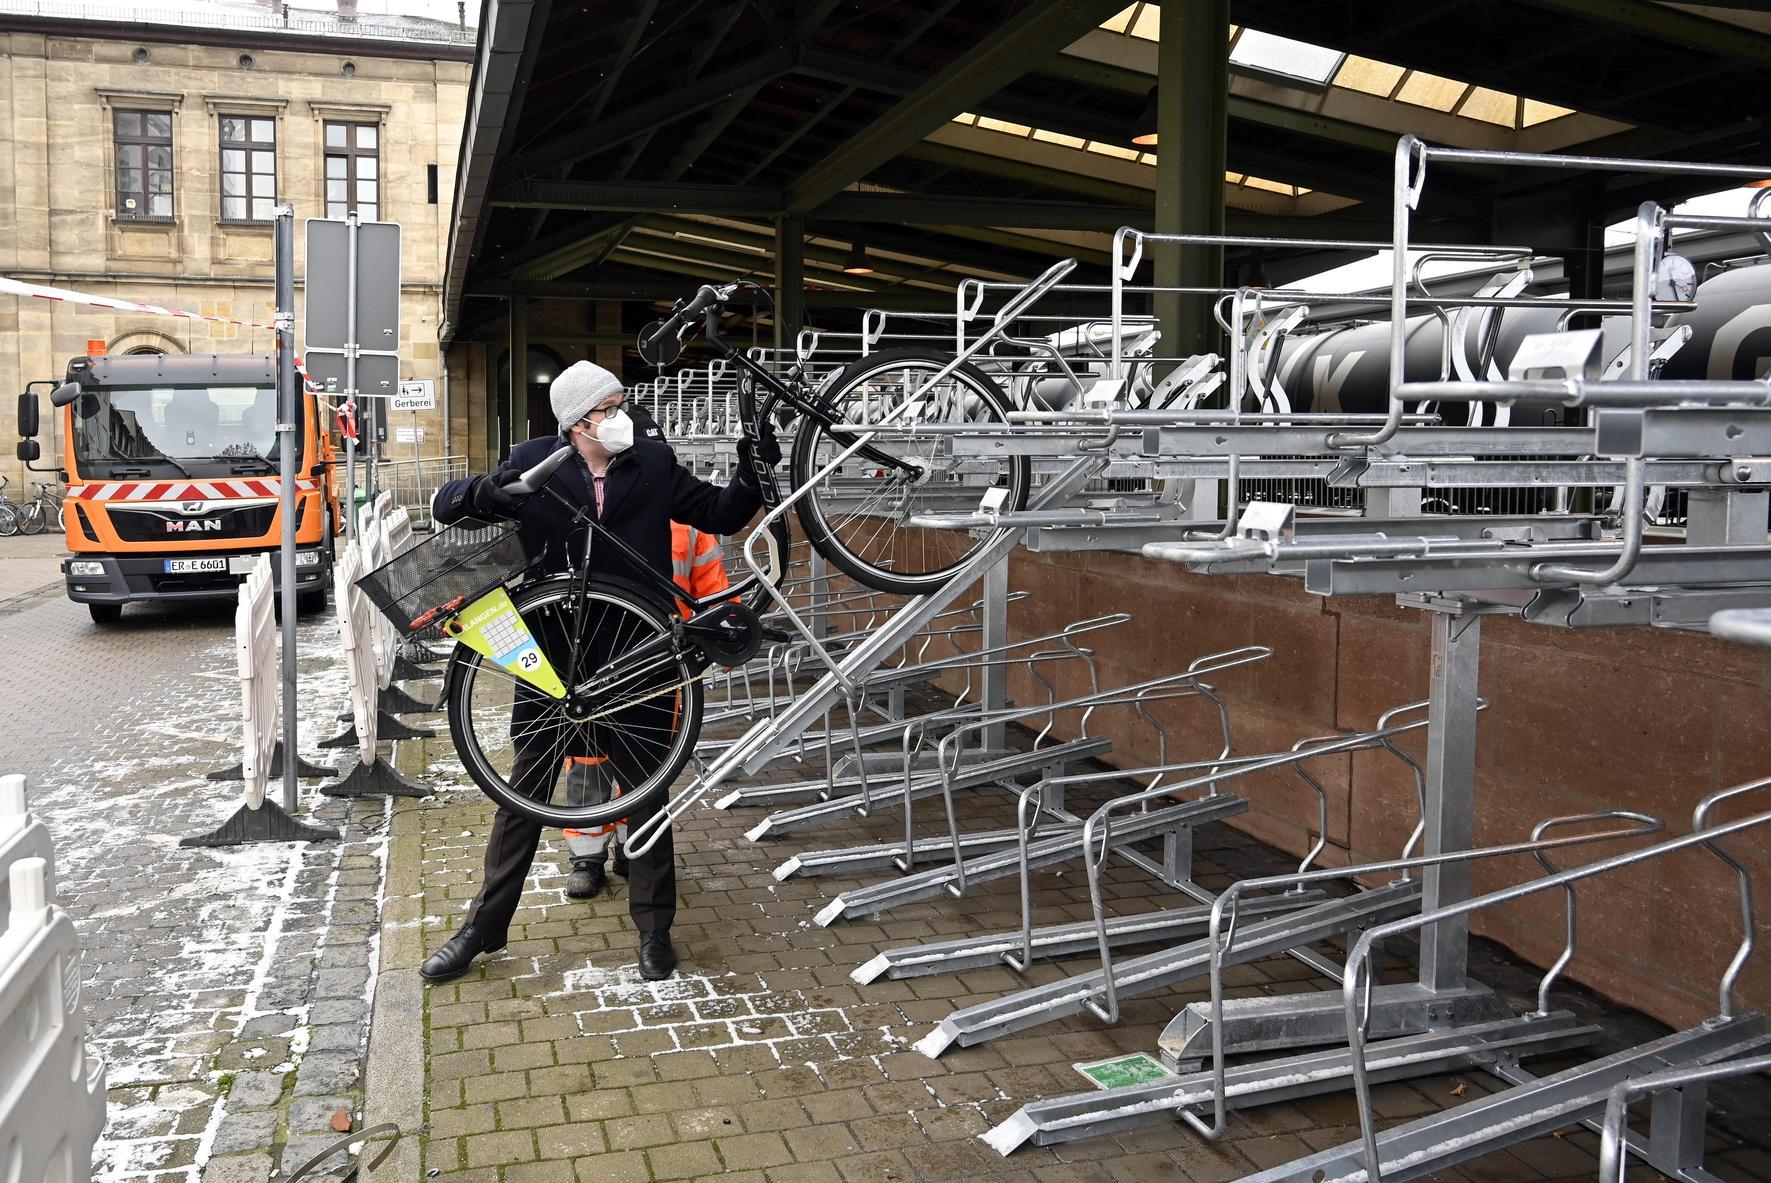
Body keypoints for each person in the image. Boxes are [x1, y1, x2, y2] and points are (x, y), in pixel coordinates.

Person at [419, 360, 775, 983]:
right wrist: (486, 494)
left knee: (647, 792)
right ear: (578, 422)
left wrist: (753, 470)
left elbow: (718, 512)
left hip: (635, 650)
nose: (622, 416)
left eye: (621, 404)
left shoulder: (652, 463)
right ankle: (483, 926)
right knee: (522, 794)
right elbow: (446, 506)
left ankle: (655, 929)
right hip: (553, 657)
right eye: (610, 408)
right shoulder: (536, 459)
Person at [561, 521, 733, 900]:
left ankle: (632, 847)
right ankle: (587, 859)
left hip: (658, 667)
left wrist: (726, 633)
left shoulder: (689, 527)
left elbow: (713, 589)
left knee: (644, 766)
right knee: (588, 763)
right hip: (593, 660)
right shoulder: (602, 509)